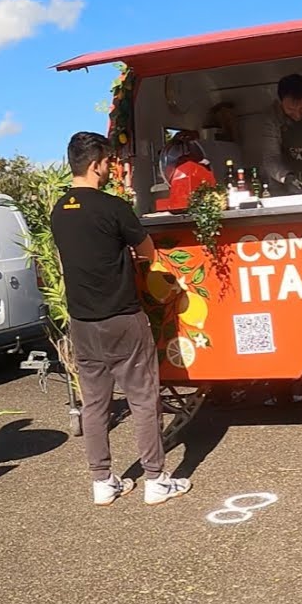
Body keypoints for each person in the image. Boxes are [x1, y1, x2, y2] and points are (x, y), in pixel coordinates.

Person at [49, 132, 192, 506]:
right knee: (144, 399)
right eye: (109, 161)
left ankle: (102, 481)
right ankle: (156, 480)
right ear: (96, 164)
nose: (111, 167)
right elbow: (148, 251)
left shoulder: (59, 211)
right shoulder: (113, 208)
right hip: (123, 318)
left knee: (95, 403)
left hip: (83, 323)